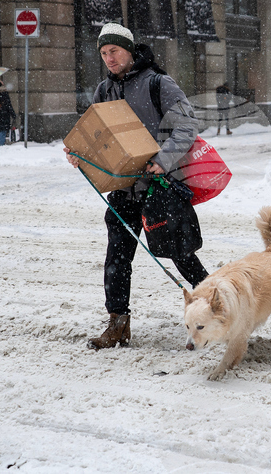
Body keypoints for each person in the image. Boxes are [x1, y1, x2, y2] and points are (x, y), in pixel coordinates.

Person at [63, 23, 209, 350]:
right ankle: (118, 324)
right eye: (103, 53)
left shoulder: (158, 83)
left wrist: (163, 159)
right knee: (117, 257)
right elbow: (97, 141)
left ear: (129, 50)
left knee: (181, 256)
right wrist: (80, 156)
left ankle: (218, 306)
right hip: (124, 190)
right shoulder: (104, 90)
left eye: (114, 51)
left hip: (159, 186)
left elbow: (186, 126)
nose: (109, 59)